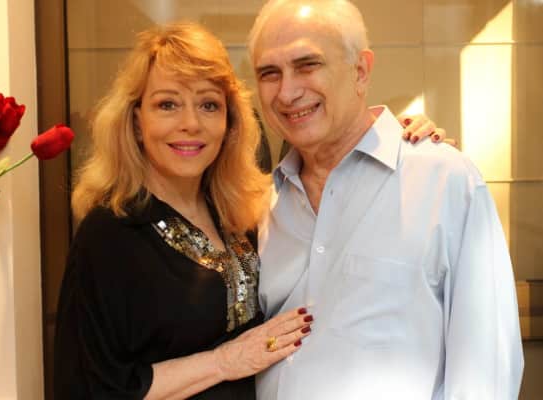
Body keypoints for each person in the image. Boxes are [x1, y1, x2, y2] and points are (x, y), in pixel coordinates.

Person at [54, 22, 440, 399]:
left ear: (230, 121)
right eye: (167, 104)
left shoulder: (246, 211)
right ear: (137, 121)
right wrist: (225, 362)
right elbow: (92, 387)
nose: (190, 124)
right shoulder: (108, 234)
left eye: (209, 105)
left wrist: (397, 143)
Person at [248, 1, 524, 399]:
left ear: (360, 71)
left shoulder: (444, 180)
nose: (287, 92)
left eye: (308, 65)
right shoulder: (260, 204)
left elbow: (486, 367)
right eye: (269, 73)